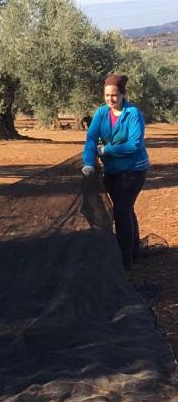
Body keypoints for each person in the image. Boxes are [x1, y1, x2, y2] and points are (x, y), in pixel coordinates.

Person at [82, 73, 149, 270]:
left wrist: (106, 150)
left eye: (114, 95)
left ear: (122, 94)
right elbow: (91, 139)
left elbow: (133, 145)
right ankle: (134, 250)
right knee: (126, 209)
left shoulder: (133, 114)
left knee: (120, 210)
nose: (110, 99)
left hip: (134, 169)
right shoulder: (101, 113)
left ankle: (124, 260)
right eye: (107, 95)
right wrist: (88, 162)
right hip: (112, 171)